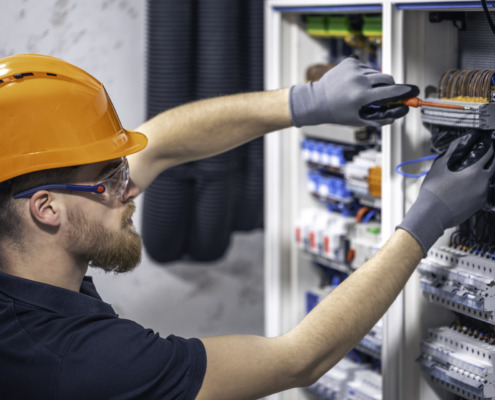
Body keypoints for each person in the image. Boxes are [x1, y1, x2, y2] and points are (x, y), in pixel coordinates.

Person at [0, 53, 493, 400]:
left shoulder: (24, 267)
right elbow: (298, 360)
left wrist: (306, 102)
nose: (129, 191)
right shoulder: (80, 361)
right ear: (45, 209)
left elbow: (163, 143)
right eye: (110, 182)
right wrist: (427, 218)